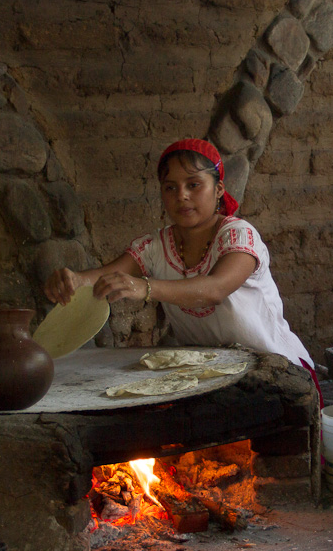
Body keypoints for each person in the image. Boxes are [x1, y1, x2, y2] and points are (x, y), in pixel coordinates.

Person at [43, 138, 317, 385]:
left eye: (194, 185)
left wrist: (145, 287)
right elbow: (104, 277)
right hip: (218, 378)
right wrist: (76, 281)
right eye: (170, 187)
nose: (181, 195)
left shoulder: (238, 236)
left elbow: (214, 290)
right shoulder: (155, 246)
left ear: (219, 189)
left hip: (281, 375)